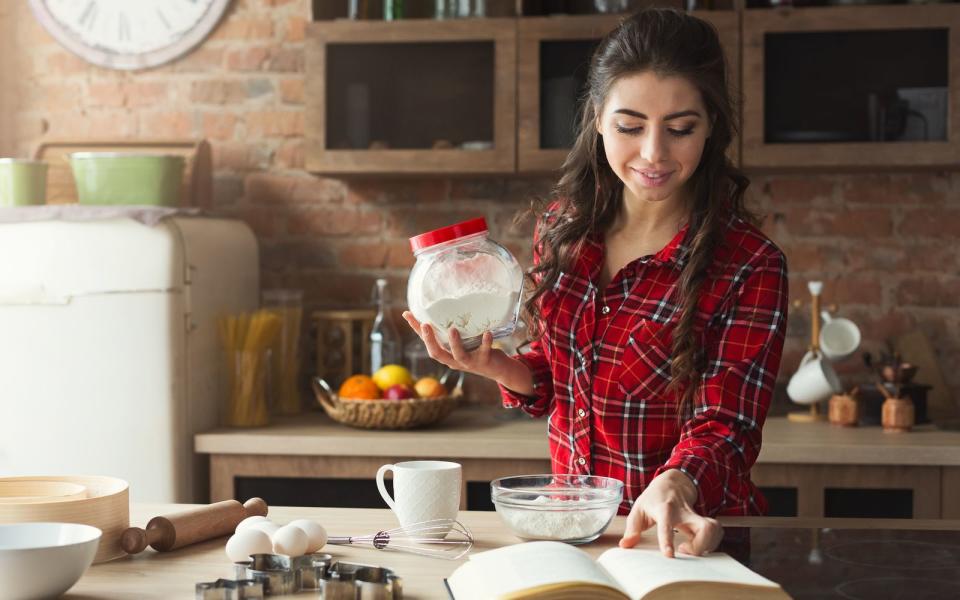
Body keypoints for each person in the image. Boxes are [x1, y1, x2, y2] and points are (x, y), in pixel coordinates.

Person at [403, 8, 787, 558]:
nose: (654, 153)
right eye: (631, 126)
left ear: (712, 128)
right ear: (599, 119)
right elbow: (558, 373)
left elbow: (727, 426)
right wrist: (496, 366)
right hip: (577, 536)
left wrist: (676, 482)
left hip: (688, 542)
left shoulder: (750, 264)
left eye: (680, 129)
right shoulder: (563, 230)